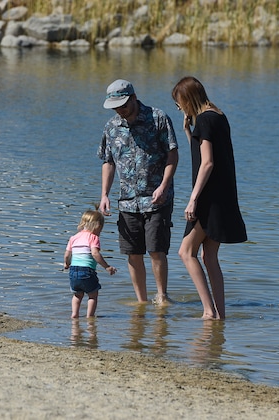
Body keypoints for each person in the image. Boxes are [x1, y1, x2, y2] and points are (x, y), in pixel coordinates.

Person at [171, 76, 247, 320]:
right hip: (223, 196)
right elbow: (202, 153)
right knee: (209, 256)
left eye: (179, 102)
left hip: (208, 198)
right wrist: (187, 130)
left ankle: (208, 311)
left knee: (186, 252)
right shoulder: (218, 116)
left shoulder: (204, 120)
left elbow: (207, 163)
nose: (179, 108)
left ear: (188, 98)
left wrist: (193, 199)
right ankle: (220, 314)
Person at [98, 79, 179, 305]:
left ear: (133, 97)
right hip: (126, 201)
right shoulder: (111, 127)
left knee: (156, 250)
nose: (119, 110)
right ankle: (142, 303)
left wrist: (164, 185)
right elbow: (108, 161)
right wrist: (105, 194)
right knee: (132, 253)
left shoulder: (158, 118)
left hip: (157, 198)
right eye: (115, 107)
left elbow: (173, 155)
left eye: (123, 105)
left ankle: (162, 297)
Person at [64, 210, 118, 318]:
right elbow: (95, 254)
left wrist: (66, 264)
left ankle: (74, 314)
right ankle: (90, 316)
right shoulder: (93, 238)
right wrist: (107, 267)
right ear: (97, 226)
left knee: (77, 295)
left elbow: (67, 255)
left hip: (73, 271)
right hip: (87, 271)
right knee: (93, 295)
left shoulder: (73, 238)